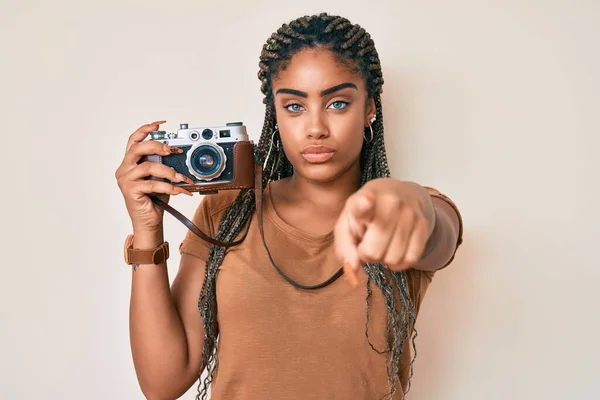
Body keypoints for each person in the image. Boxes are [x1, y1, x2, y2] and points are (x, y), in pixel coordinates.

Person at [115, 12, 463, 400]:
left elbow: (441, 233)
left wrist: (420, 204)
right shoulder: (228, 212)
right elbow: (163, 382)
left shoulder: (401, 214)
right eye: (295, 107)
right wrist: (147, 229)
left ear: (370, 108)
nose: (316, 127)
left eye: (338, 103)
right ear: (275, 115)